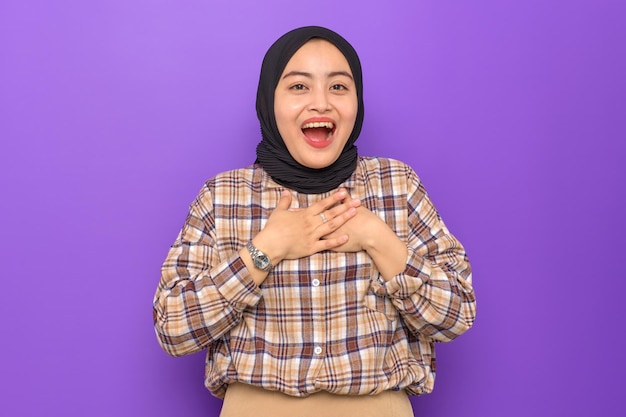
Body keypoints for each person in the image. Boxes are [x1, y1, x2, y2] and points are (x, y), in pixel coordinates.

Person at [153, 26, 476, 417]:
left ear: (357, 101)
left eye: (338, 87)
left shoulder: (397, 184)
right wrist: (266, 250)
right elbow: (172, 328)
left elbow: (457, 316)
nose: (321, 103)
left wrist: (379, 239)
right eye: (299, 87)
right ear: (269, 101)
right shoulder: (222, 195)